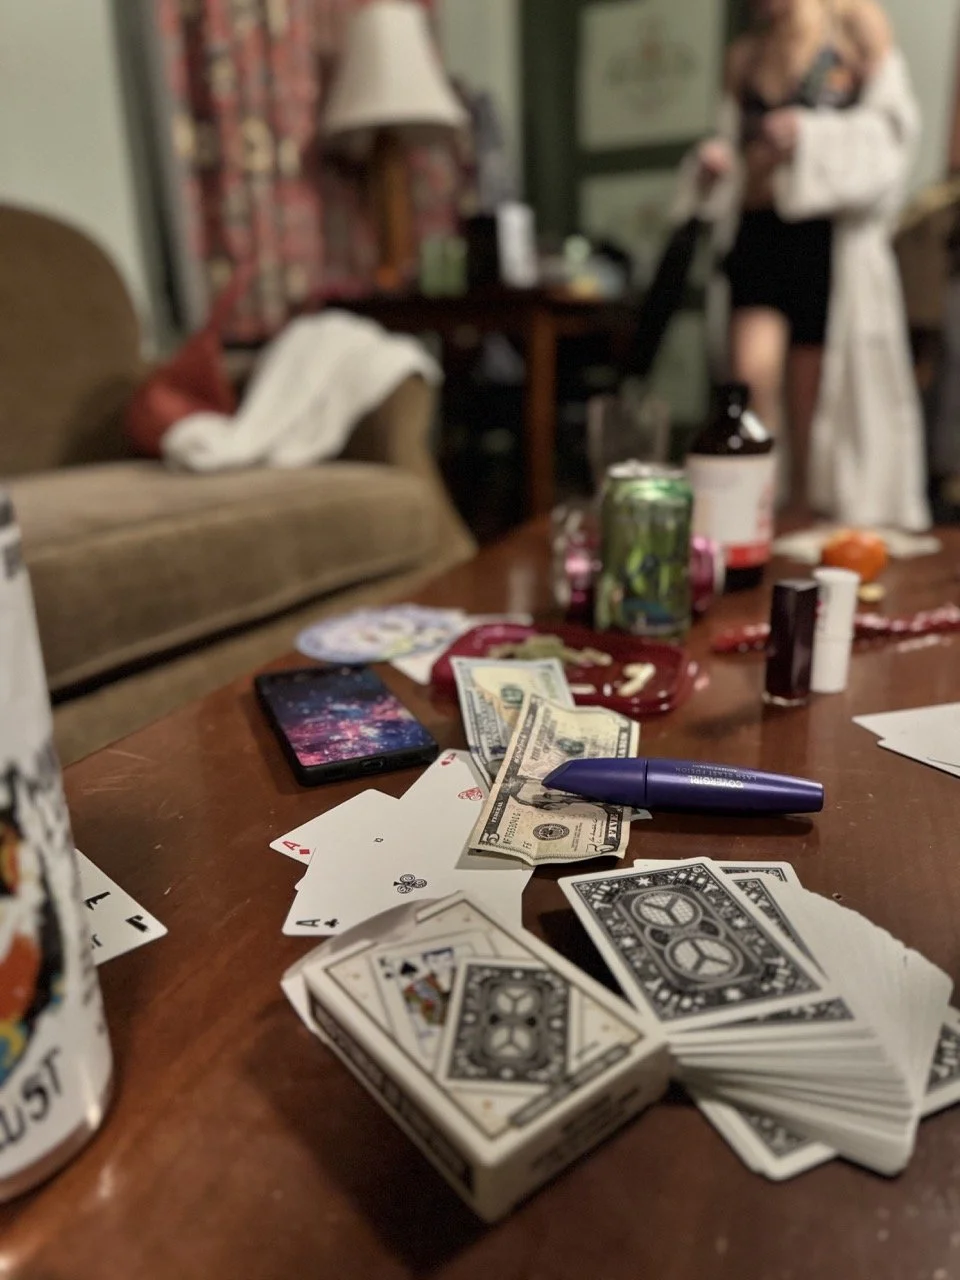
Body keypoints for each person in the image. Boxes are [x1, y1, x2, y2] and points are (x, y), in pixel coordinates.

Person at [681, 0, 931, 529]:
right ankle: (754, 517)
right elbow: (732, 143)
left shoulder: (856, 26)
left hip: (825, 242)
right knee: (750, 381)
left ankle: (802, 520)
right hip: (758, 234)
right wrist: (717, 164)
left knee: (813, 403)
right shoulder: (745, 57)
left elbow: (892, 135)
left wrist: (808, 135)